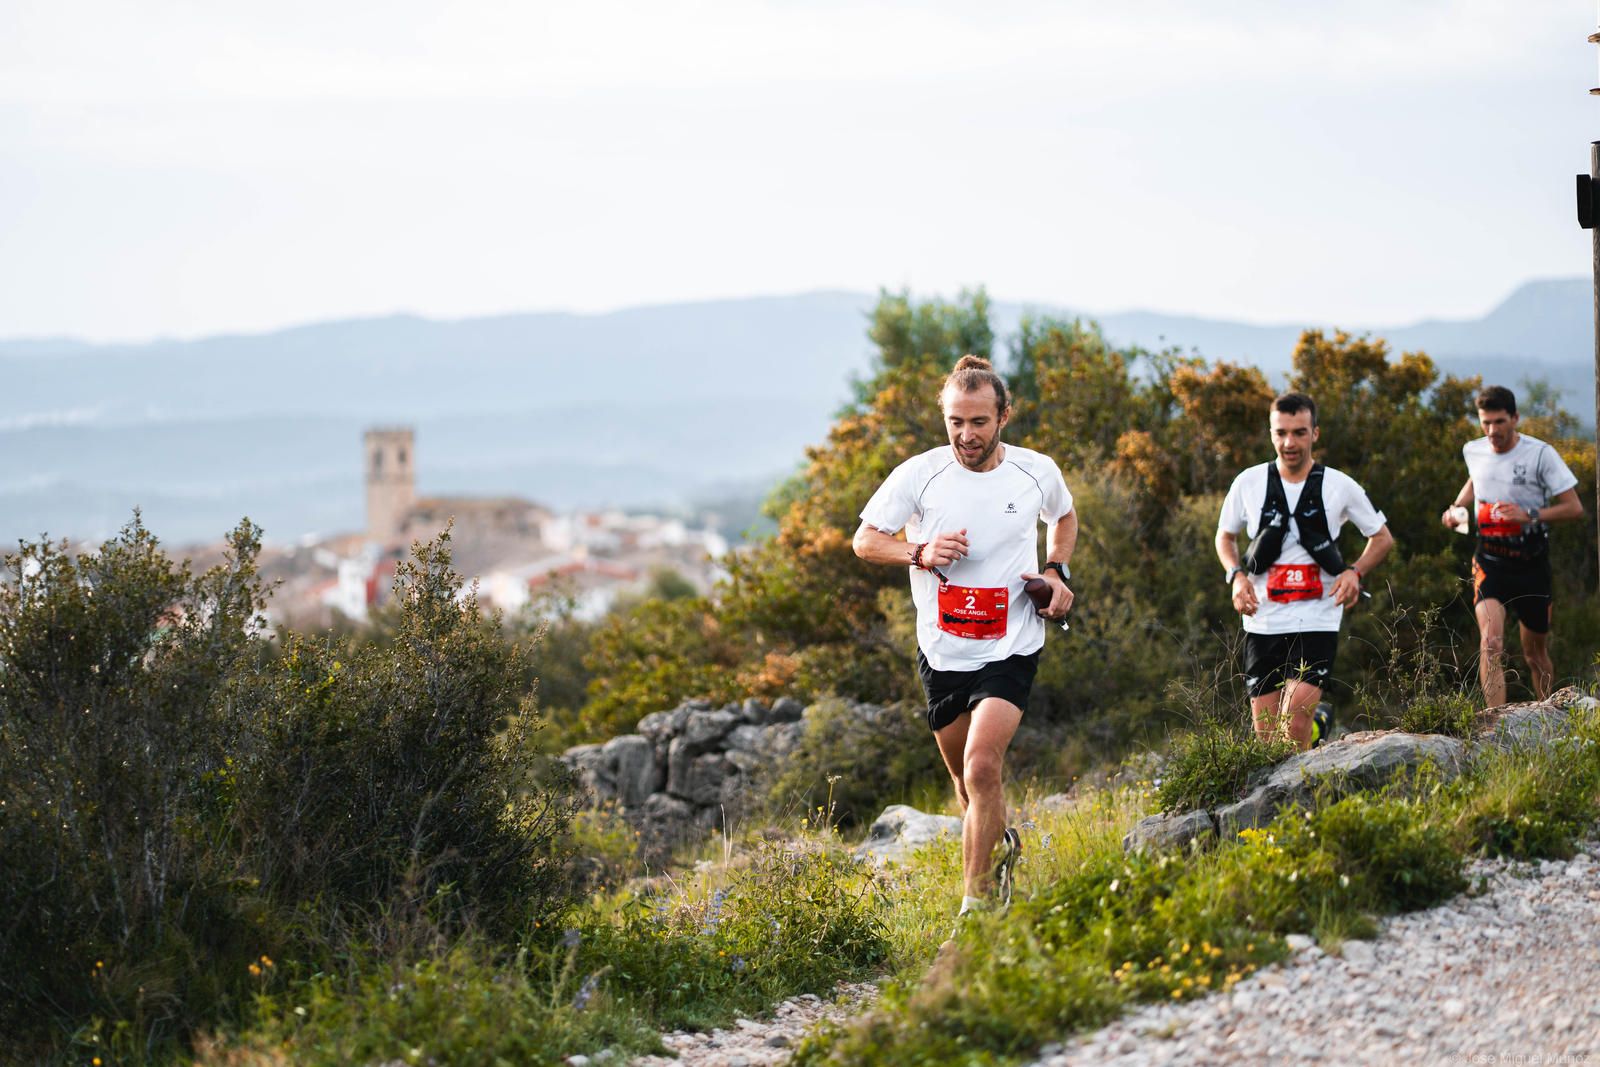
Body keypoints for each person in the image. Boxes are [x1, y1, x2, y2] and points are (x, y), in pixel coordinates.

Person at [853, 354, 1076, 922]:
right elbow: (865, 541)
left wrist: (1056, 573)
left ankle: (974, 914)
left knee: (981, 767)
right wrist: (920, 553)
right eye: (955, 421)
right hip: (943, 650)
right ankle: (999, 853)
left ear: (1004, 416)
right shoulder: (919, 474)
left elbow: (1064, 518)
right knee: (964, 782)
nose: (965, 434)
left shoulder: (1035, 471)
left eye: (978, 421)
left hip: (1011, 645)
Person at [1215, 392, 1393, 750]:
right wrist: (1236, 576)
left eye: (1298, 432)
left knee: (1293, 723)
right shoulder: (1248, 483)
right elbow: (1225, 536)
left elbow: (1382, 537)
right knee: (1266, 740)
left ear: (1315, 434)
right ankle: (1317, 731)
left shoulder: (1339, 485)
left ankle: (1304, 771)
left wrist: (1353, 573)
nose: (1289, 442)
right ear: (1270, 433)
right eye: (1280, 432)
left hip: (1318, 615)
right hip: (1262, 617)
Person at [1440, 385, 1583, 707]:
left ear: (1515, 418)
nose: (1492, 431)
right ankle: (1496, 727)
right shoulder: (1473, 450)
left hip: (1531, 561)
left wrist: (1529, 515)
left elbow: (1574, 508)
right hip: (1490, 558)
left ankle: (1550, 719)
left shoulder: (1540, 454)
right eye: (1485, 423)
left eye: (1499, 422)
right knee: (1490, 643)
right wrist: (1456, 509)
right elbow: (1476, 479)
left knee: (1534, 653)